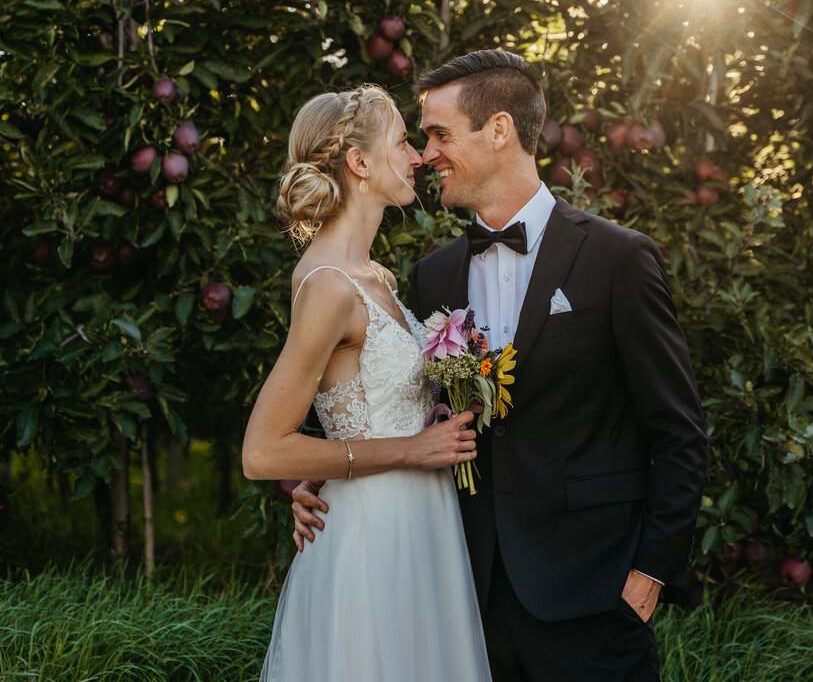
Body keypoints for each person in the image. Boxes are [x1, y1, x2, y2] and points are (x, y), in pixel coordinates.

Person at [291, 51, 707, 681]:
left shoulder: (617, 260)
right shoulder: (430, 278)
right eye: (421, 138)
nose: (427, 153)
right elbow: (390, 401)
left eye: (439, 134)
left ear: (500, 130)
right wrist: (324, 480)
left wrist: (648, 577)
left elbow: (679, 432)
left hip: (592, 603)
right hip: (463, 596)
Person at [242, 84, 494, 682]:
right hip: (373, 536)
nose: (416, 156)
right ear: (359, 163)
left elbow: (353, 404)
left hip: (419, 520)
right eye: (404, 141)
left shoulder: (375, 275)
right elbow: (262, 449)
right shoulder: (329, 284)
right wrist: (413, 449)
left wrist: (323, 468)